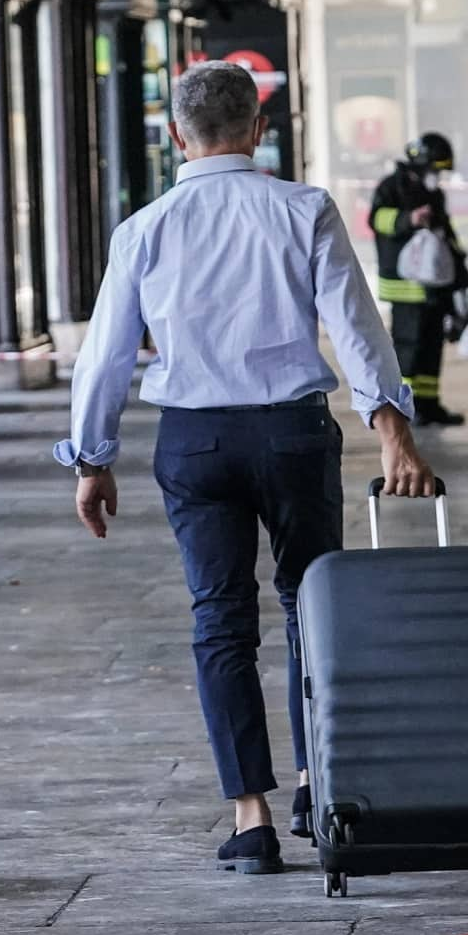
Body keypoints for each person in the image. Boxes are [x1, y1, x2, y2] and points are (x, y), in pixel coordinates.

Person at [57, 61, 439, 877]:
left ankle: (250, 817)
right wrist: (392, 430)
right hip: (294, 437)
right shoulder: (304, 209)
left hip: (193, 443)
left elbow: (104, 360)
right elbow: (356, 325)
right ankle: (318, 786)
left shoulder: (144, 229)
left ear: (174, 137)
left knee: (218, 621)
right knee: (313, 610)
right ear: (259, 129)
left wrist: (90, 460)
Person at [366, 133, 468, 426]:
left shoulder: (433, 194)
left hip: (433, 288)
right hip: (405, 289)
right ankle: (406, 409)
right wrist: (408, 219)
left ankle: (429, 404)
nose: (438, 176)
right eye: (435, 169)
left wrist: (461, 279)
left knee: (431, 350)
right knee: (409, 351)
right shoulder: (391, 187)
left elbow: (446, 236)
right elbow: (376, 220)